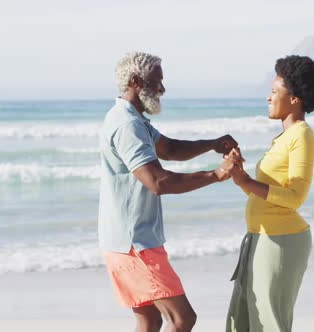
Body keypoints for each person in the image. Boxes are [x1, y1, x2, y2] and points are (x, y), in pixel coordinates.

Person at [98, 51, 242, 332]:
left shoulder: (131, 119)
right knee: (181, 318)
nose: (162, 89)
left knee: (149, 319)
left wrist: (212, 143)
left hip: (122, 239)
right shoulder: (128, 125)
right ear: (136, 82)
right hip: (134, 243)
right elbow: (158, 182)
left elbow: (170, 149)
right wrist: (216, 174)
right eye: (157, 81)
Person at [225, 55, 314, 332]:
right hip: (260, 236)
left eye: (274, 92)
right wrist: (241, 178)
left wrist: (246, 180)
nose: (268, 98)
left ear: (294, 98)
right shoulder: (285, 137)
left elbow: (294, 196)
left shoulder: (302, 135)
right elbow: (265, 194)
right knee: (243, 320)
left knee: (268, 324)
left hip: (281, 241)